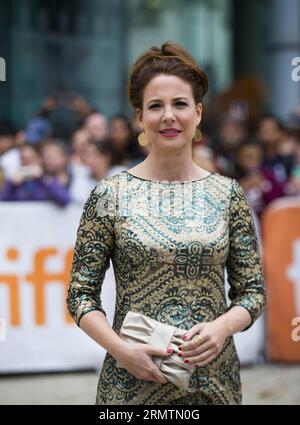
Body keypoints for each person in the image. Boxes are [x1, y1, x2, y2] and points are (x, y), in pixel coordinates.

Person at [67, 42, 266, 405]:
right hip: (129, 386)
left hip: (214, 384)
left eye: (180, 104)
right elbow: (80, 296)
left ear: (199, 112)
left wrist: (222, 328)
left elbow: (252, 292)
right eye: (155, 106)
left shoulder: (228, 194)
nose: (169, 116)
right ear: (140, 118)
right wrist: (122, 351)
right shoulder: (110, 195)